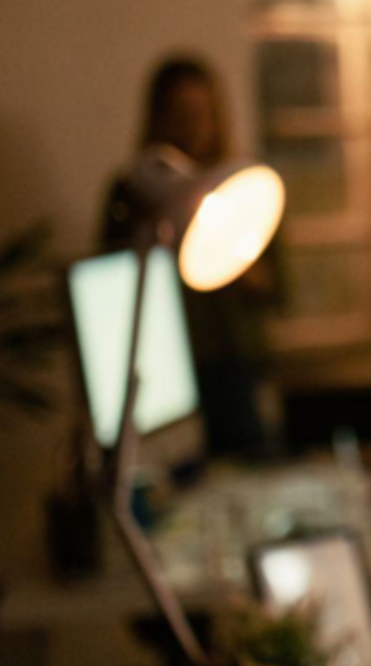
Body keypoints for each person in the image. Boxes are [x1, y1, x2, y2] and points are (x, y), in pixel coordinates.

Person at [101, 55, 274, 457]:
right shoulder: (133, 194)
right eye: (179, 114)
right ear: (158, 118)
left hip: (233, 366)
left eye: (201, 113)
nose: (192, 126)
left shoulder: (241, 190)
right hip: (164, 373)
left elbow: (276, 288)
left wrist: (231, 251)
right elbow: (113, 283)